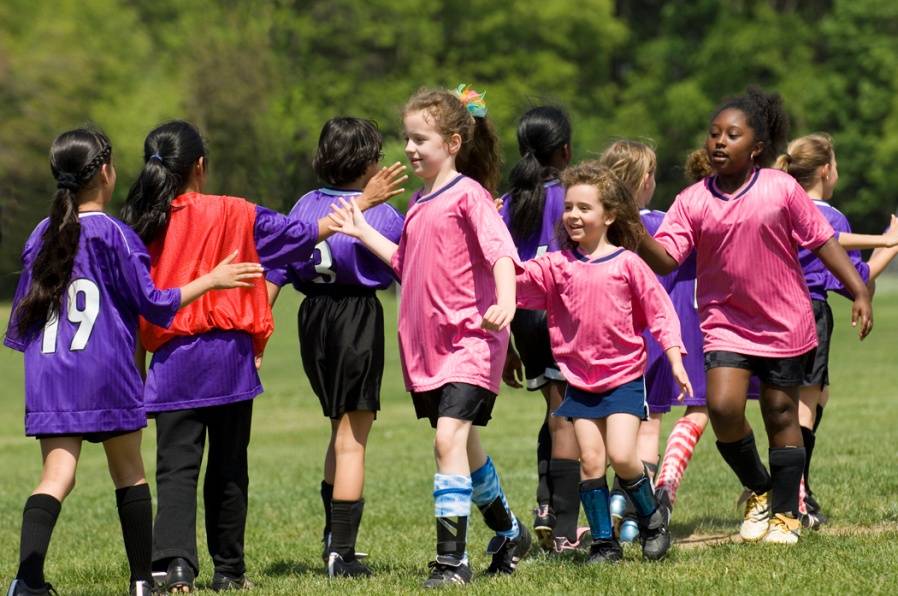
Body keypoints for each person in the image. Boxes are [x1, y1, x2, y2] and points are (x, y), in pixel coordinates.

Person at [121, 120, 405, 593]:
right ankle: (229, 572)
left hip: (172, 362)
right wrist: (365, 202)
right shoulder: (235, 211)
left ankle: (174, 566)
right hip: (229, 358)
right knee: (229, 468)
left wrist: (136, 368)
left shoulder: (142, 223)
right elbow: (303, 235)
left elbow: (135, 300)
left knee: (175, 469)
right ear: (200, 166)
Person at [4, 128, 261, 596]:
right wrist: (212, 279)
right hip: (106, 370)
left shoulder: (42, 233)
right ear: (105, 171)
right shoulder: (115, 234)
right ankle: (143, 580)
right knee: (130, 475)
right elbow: (156, 302)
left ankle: (27, 580)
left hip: (50, 375)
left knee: (56, 477)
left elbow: (22, 321)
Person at [637, 87, 872, 546]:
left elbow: (822, 240)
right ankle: (762, 491)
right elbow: (666, 258)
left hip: (784, 320)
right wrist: (630, 228)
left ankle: (786, 514)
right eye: (713, 134)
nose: (719, 142)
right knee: (723, 409)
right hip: (725, 322)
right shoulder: (692, 200)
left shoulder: (780, 188)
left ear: (757, 147)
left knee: (780, 413)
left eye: (732, 134)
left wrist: (859, 289)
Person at [328, 85, 530, 588]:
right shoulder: (419, 205)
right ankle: (508, 531)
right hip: (427, 348)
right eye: (408, 139)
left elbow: (501, 253)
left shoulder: (470, 196)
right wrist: (361, 231)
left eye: (422, 139)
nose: (411, 148)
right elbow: (406, 263)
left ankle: (451, 561)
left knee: (447, 440)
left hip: (471, 340)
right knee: (465, 445)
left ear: (455, 143)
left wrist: (505, 301)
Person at [514, 160, 690, 564]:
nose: (574, 215)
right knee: (590, 462)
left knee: (624, 456)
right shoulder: (557, 266)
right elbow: (518, 282)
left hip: (624, 378)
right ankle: (603, 543)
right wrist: (491, 256)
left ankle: (652, 518)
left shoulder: (628, 264)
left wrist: (677, 359)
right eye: (569, 207)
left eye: (584, 208)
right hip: (579, 382)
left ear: (609, 215)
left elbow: (661, 313)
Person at [266, 117, 405, 577]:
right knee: (353, 439)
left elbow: (280, 266)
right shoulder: (379, 210)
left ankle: (332, 537)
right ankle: (341, 554)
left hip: (313, 320)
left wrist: (260, 326)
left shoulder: (306, 203)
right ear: (368, 163)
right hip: (355, 316)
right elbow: (412, 265)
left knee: (336, 428)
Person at [774, 133, 898, 527]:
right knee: (806, 406)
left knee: (809, 394)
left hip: (774, 313)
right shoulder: (832, 218)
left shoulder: (779, 209)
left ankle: (791, 485)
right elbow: (856, 280)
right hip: (810, 312)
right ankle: (796, 495)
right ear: (826, 170)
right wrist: (891, 245)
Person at [597, 141, 709, 542]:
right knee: (685, 412)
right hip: (669, 330)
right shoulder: (666, 222)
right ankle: (648, 505)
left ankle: (616, 507)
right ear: (646, 181)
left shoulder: (600, 229)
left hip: (618, 334)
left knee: (631, 424)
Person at [499, 105, 586, 553]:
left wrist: (507, 345)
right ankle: (565, 526)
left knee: (556, 412)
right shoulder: (576, 195)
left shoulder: (507, 202)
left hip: (523, 316)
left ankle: (548, 506)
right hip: (562, 311)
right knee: (568, 416)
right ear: (566, 151)